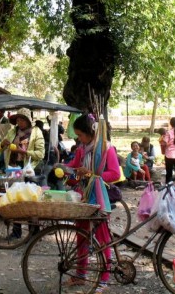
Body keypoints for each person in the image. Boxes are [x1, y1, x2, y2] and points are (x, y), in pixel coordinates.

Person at [63, 114, 120, 292]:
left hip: (100, 198)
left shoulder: (106, 149)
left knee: (102, 239)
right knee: (81, 235)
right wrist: (65, 168)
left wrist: (91, 174)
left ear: (89, 132)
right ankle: (81, 274)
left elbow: (115, 174)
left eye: (80, 135)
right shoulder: (82, 148)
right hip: (83, 197)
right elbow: (75, 164)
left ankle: (104, 278)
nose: (78, 139)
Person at [0, 109, 45, 240]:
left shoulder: (36, 133)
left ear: (28, 120)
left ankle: (34, 233)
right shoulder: (13, 131)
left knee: (31, 202)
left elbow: (41, 154)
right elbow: (0, 147)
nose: (19, 122)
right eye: (18, 119)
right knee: (15, 201)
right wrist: (3, 143)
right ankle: (16, 232)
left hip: (29, 171)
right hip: (14, 170)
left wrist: (25, 152)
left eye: (22, 119)